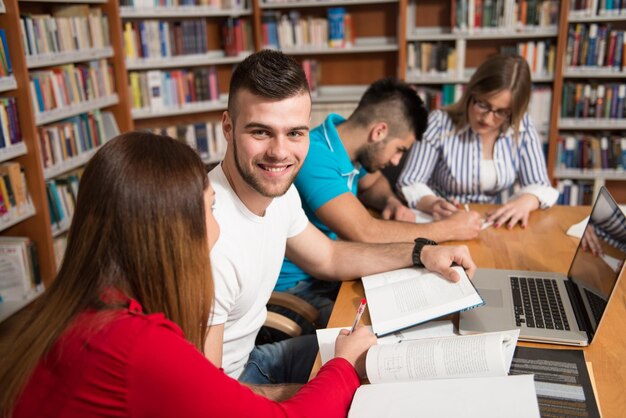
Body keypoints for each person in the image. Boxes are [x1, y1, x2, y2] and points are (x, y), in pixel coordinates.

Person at [0, 132, 379, 418]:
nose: (218, 226)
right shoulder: (137, 345)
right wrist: (343, 366)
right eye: (211, 208)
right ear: (174, 233)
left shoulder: (69, 310)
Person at [205, 50, 477, 392]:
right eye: (261, 132)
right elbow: (207, 398)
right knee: (374, 389)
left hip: (256, 361)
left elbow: (329, 256)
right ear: (228, 128)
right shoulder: (209, 233)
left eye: (295, 133)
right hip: (236, 386)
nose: (279, 152)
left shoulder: (280, 194)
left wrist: (420, 252)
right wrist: (331, 389)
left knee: (402, 354)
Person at [276, 78, 483, 324]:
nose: (396, 162)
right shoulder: (314, 155)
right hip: (296, 289)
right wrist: (451, 228)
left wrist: (391, 202)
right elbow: (366, 231)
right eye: (399, 150)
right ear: (379, 132)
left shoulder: (345, 143)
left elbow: (373, 184)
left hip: (328, 272)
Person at [397, 54, 559, 229]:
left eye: (501, 112)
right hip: (444, 223)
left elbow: (541, 185)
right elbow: (409, 181)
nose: (488, 119)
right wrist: (433, 204)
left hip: (492, 225)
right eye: (483, 104)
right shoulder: (439, 123)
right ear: (471, 92)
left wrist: (527, 201)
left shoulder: (522, 126)